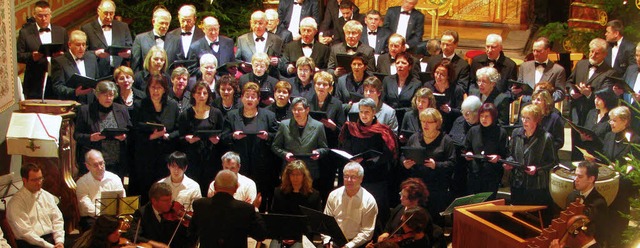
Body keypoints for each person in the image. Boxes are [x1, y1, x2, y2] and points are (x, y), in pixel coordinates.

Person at [340, 97, 397, 230]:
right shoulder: (351, 128)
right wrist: (351, 158)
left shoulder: (383, 131)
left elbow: (388, 155)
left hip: (375, 177)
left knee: (376, 210)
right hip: (354, 176)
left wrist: (367, 161)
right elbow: (345, 147)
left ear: (373, 112)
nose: (364, 115)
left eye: (367, 112)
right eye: (361, 112)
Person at [222, 82, 279, 209]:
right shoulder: (232, 115)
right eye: (247, 96)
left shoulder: (269, 116)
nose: (250, 99)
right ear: (241, 97)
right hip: (238, 166)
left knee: (260, 198)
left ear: (258, 99)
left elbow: (278, 136)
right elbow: (223, 137)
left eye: (253, 96)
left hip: (262, 165)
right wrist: (233, 136)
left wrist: (267, 136)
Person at [402, 108, 455, 226]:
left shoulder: (446, 141)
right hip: (417, 186)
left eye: (429, 122)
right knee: (416, 220)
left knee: (435, 220)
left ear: (437, 123)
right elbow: (403, 155)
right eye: (423, 121)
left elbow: (452, 164)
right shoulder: (414, 138)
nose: (425, 125)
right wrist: (404, 163)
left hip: (436, 187)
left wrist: (436, 165)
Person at [504, 104, 556, 225]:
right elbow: (511, 153)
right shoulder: (517, 133)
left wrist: (537, 169)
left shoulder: (545, 137)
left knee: (533, 220)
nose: (524, 121)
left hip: (535, 186)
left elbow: (553, 162)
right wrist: (509, 162)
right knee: (518, 219)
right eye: (523, 117)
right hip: (518, 183)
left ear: (537, 120)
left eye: (528, 118)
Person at [131, 75, 180, 203]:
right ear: (148, 88)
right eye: (153, 87)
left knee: (162, 190)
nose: (155, 91)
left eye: (159, 88)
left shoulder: (172, 105)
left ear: (164, 89)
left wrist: (169, 136)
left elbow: (179, 129)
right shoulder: (140, 105)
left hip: (165, 154)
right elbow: (134, 129)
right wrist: (151, 136)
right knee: (145, 189)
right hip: (145, 155)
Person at [568, 38, 616, 160]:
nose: (593, 55)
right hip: (576, 112)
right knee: (576, 145)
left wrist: (589, 94)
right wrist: (571, 90)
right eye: (591, 51)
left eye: (597, 53)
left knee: (590, 147)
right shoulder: (581, 64)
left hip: (593, 114)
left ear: (605, 55)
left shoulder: (609, 72)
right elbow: (569, 82)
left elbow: (607, 95)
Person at [191, 170, 267, 247]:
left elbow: (191, 234)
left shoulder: (200, 205)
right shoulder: (245, 209)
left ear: (214, 186)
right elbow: (261, 235)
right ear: (236, 187)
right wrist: (255, 208)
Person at [74, 80, 131, 176]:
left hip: (116, 161)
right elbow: (77, 135)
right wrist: (91, 137)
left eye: (111, 95)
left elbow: (130, 130)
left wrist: (124, 137)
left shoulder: (121, 109)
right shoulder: (85, 110)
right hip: (95, 162)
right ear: (98, 95)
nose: (108, 98)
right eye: (105, 95)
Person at [178, 81, 224, 192]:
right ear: (193, 94)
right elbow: (179, 137)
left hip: (211, 157)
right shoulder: (186, 114)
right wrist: (187, 139)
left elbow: (223, 133)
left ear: (209, 95)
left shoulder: (216, 113)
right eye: (198, 93)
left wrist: (217, 140)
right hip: (192, 157)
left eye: (205, 93)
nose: (202, 96)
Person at [17, 0, 68, 99]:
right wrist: (32, 56)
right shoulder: (25, 33)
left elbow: (68, 54)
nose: (43, 19)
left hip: (57, 79)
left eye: (46, 15)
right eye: (40, 16)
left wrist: (62, 56)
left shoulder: (61, 31)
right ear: (34, 15)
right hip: (35, 82)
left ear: (50, 15)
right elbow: (18, 55)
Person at [7, 163, 65, 248]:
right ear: (24, 180)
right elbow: (26, 233)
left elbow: (57, 219)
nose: (39, 183)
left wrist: (59, 241)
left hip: (51, 238)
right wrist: (50, 247)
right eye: (34, 180)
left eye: (40, 178)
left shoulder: (47, 196)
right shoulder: (16, 203)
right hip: (30, 243)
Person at [272, 97, 329, 181]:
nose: (296, 112)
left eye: (299, 109)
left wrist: (318, 152)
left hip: (309, 169)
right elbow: (275, 146)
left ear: (307, 110)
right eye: (294, 110)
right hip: (290, 168)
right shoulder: (284, 125)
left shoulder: (318, 126)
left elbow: (325, 148)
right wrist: (285, 154)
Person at [324, 162, 378, 248]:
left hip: (356, 244)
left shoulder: (369, 201)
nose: (349, 180)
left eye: (353, 177)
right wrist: (327, 241)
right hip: (333, 241)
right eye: (346, 176)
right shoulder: (333, 195)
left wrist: (348, 246)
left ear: (361, 179)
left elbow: (367, 231)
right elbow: (326, 222)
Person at [270, 160, 322, 248]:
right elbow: (274, 217)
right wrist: (283, 236)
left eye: (298, 174)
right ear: (288, 176)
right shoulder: (279, 192)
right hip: (281, 234)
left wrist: (295, 236)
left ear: (304, 176)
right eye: (292, 175)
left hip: (302, 234)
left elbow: (314, 222)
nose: (295, 178)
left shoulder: (313, 195)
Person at [124, 182, 191, 248]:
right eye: (166, 201)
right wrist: (153, 243)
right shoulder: (142, 213)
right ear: (154, 201)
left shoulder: (175, 213)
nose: (170, 203)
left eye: (171, 200)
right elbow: (132, 235)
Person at [463, 103, 508, 199]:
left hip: (492, 175)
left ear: (493, 117)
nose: (484, 119)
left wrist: (498, 157)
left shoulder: (501, 132)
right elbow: (467, 147)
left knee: (488, 204)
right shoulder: (473, 131)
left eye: (487, 116)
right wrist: (469, 153)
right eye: (482, 116)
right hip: (475, 174)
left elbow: (505, 153)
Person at [76, 149, 126, 230]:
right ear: (88, 166)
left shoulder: (115, 178)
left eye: (101, 163)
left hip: (113, 216)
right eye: (95, 165)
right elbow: (85, 206)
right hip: (92, 217)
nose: (100, 167)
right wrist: (102, 216)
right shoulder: (82, 182)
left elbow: (122, 198)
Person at [81, 0, 132, 77]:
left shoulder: (123, 27)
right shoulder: (87, 29)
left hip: (120, 73)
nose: (108, 17)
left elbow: (130, 47)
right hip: (98, 72)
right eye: (105, 13)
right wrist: (95, 54)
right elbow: (82, 52)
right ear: (98, 11)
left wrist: (128, 53)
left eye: (111, 14)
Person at [51, 29, 101, 102]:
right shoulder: (60, 61)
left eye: (83, 45)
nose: (81, 48)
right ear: (69, 45)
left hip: (91, 105)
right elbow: (57, 87)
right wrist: (75, 92)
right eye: (78, 45)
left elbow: (96, 79)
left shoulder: (91, 58)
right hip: (72, 104)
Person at [376, 179, 431, 244]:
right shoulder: (400, 207)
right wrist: (385, 233)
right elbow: (389, 226)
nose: (401, 198)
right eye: (401, 194)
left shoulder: (422, 216)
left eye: (404, 197)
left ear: (414, 199)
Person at [565, 161, 608, 244]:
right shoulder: (571, 196)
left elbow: (578, 226)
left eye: (580, 176)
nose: (575, 179)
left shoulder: (598, 203)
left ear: (591, 179)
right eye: (575, 175)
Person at [236, 11, 283, 78]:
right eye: (254, 23)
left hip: (270, 78)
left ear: (266, 23)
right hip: (249, 78)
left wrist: (278, 61)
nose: (257, 26)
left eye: (260, 23)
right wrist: (242, 65)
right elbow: (237, 60)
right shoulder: (242, 39)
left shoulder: (277, 40)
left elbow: (283, 60)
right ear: (250, 23)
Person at [425, 61, 465, 133]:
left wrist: (449, 110)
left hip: (449, 123)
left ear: (448, 76)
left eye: (442, 74)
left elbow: (460, 111)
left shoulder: (456, 89)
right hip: (430, 120)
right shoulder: (428, 86)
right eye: (436, 73)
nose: (438, 76)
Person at [131, 6, 171, 73]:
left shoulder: (175, 40)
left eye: (167, 24)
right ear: (153, 22)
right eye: (161, 23)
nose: (164, 26)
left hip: (168, 81)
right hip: (146, 80)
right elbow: (135, 65)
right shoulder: (140, 39)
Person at [578, 88, 617, 155]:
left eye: (599, 99)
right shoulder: (592, 113)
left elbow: (610, 140)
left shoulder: (612, 117)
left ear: (607, 100)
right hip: (587, 152)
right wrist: (582, 137)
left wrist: (595, 139)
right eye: (595, 98)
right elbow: (585, 128)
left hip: (602, 154)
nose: (596, 101)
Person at [530, 89, 564, 156]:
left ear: (546, 101)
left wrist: (544, 148)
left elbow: (559, 142)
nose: (535, 102)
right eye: (533, 99)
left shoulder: (554, 118)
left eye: (538, 100)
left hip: (547, 156)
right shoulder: (528, 116)